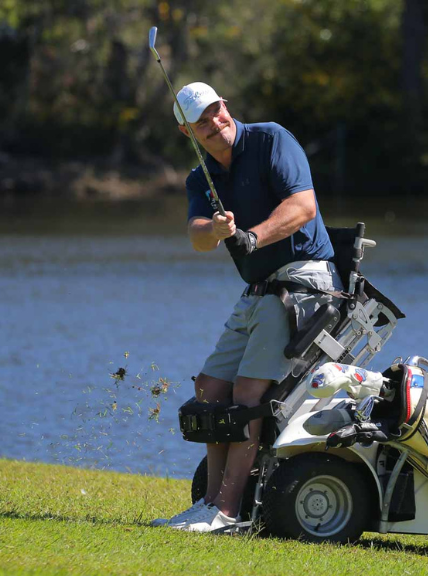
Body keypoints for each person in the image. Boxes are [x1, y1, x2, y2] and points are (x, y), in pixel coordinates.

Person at [152, 82, 342, 533]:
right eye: (202, 121)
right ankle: (210, 504)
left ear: (226, 106)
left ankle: (228, 512)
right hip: (259, 289)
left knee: (247, 395)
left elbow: (303, 206)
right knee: (208, 390)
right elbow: (197, 237)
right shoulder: (200, 178)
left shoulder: (271, 139)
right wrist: (216, 230)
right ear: (187, 132)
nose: (215, 122)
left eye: (217, 111)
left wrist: (251, 236)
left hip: (304, 281)